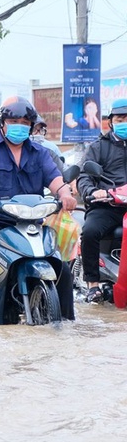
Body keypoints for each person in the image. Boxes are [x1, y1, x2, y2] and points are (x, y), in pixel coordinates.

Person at [0, 96, 78, 327]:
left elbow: (55, 179)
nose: (19, 126)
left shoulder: (39, 153)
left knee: (59, 263)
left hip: (30, 220)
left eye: (24, 122)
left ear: (31, 126)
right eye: (13, 120)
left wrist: (64, 194)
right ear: (2, 122)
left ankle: (67, 321)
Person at [77, 98, 127, 303]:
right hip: (108, 205)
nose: (124, 122)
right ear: (111, 121)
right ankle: (93, 284)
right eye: (120, 118)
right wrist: (92, 191)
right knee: (89, 232)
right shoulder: (98, 147)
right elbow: (84, 175)